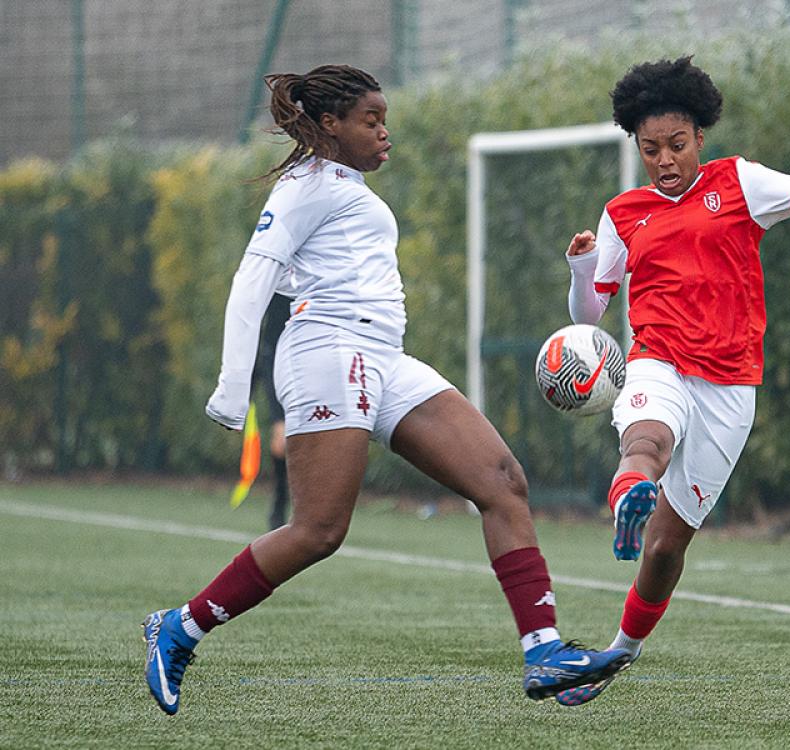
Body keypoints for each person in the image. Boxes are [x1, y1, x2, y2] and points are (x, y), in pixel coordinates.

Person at [141, 64, 632, 716]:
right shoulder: (305, 184)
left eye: (385, 119)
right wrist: (233, 388)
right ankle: (181, 627)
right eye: (371, 120)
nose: (385, 133)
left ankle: (544, 653)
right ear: (329, 125)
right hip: (326, 351)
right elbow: (252, 279)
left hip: (383, 356)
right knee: (319, 530)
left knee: (503, 480)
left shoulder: (346, 186)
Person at [553, 57, 790, 706]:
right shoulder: (622, 213)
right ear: (636, 145)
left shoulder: (740, 182)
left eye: (677, 145)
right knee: (645, 443)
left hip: (729, 386)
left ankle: (617, 654)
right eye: (650, 148)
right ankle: (628, 498)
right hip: (657, 360)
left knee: (665, 551)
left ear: (700, 138)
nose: (665, 160)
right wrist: (582, 270)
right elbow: (589, 316)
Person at [253, 293, 292, 530]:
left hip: (310, 357)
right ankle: (280, 503)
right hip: (275, 357)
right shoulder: (273, 265)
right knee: (281, 440)